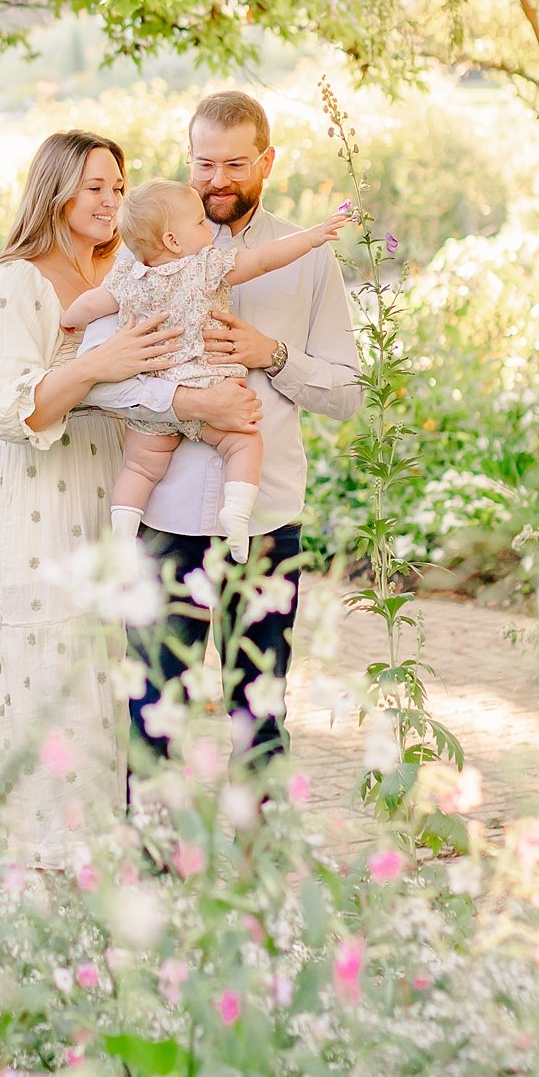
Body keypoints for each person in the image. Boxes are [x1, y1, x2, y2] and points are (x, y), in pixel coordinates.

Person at [0, 130, 255, 868]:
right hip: (28, 495)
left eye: (119, 189)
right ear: (56, 189)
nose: (110, 201)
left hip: (103, 488)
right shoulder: (15, 282)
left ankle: (93, 870)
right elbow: (10, 408)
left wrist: (201, 403)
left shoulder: (127, 276)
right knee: (34, 667)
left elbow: (142, 392)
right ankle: (21, 873)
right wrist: (101, 364)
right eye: (95, 186)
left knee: (98, 672)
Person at [83, 91, 362, 770]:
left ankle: (256, 870)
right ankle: (152, 871)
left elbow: (349, 393)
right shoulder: (142, 251)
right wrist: (184, 402)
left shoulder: (306, 257)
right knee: (154, 715)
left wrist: (270, 355)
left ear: (267, 161)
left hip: (265, 522)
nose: (216, 181)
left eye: (235, 164)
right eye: (203, 164)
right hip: (166, 520)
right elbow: (97, 377)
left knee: (259, 721)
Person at [60, 178, 348, 560]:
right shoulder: (205, 267)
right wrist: (311, 239)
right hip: (209, 385)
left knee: (139, 469)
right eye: (199, 224)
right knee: (244, 442)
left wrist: (68, 319)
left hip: (156, 398)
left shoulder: (129, 278)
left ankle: (123, 530)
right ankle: (238, 513)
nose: (206, 230)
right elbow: (262, 261)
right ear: (174, 241)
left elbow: (90, 304)